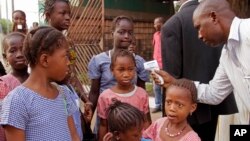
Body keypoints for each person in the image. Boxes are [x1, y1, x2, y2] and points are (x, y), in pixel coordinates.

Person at [154, 0, 250, 140]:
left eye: (199, 27)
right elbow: (214, 93)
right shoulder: (227, 54)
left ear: (213, 17)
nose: (199, 35)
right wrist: (175, 82)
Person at [0, 26, 80, 141]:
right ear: (45, 60)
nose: (68, 62)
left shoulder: (63, 94)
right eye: (65, 56)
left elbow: (74, 136)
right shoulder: (17, 101)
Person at [43, 0, 93, 133]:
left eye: (69, 13)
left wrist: (86, 100)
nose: (68, 17)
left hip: (68, 96)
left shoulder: (69, 42)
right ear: (48, 16)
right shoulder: (40, 42)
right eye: (62, 13)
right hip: (48, 98)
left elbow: (71, 75)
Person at [88, 15, 149, 119]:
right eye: (121, 32)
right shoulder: (99, 61)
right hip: (106, 119)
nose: (126, 36)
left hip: (131, 120)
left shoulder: (138, 62)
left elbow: (142, 95)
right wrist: (87, 122)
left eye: (130, 33)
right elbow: (94, 93)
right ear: (112, 34)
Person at [97, 49, 151, 141]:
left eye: (130, 69)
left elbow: (146, 121)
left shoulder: (142, 94)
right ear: (112, 70)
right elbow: (103, 125)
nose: (126, 74)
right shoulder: (105, 97)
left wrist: (149, 138)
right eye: (121, 70)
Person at [0, 32, 28, 141]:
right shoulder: (3, 85)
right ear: (5, 57)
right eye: (13, 50)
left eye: (23, 49)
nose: (19, 54)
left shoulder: (38, 82)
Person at [151, 17, 164, 113]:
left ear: (162, 23)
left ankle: (164, 105)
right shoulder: (155, 35)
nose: (155, 26)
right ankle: (158, 104)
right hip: (156, 64)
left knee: (164, 85)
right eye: (154, 24)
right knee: (156, 86)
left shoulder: (167, 34)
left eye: (157, 23)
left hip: (164, 64)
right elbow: (154, 47)